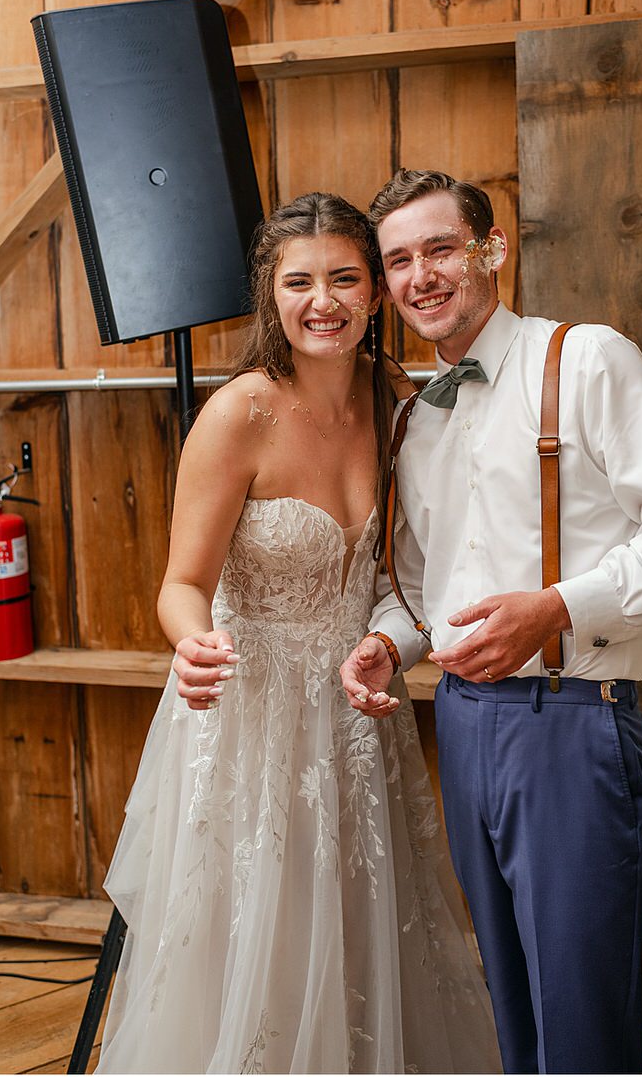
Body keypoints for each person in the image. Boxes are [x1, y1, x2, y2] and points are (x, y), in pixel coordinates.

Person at [339, 169, 642, 1075]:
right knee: (508, 999)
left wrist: (557, 609)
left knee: (581, 1013)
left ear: (492, 250)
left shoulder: (587, 358)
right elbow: (420, 585)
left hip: (575, 717)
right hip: (466, 725)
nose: (419, 276)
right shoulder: (413, 419)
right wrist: (387, 644)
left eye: (439, 248)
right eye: (398, 260)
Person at [95, 193, 500, 1074]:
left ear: (377, 292)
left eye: (347, 278)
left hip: (355, 719)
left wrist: (388, 646)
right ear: (270, 295)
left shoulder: (395, 404)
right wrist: (192, 642)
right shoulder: (240, 413)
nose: (325, 301)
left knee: (361, 929)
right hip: (248, 708)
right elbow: (181, 584)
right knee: (254, 938)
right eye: (300, 281)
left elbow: (400, 577)